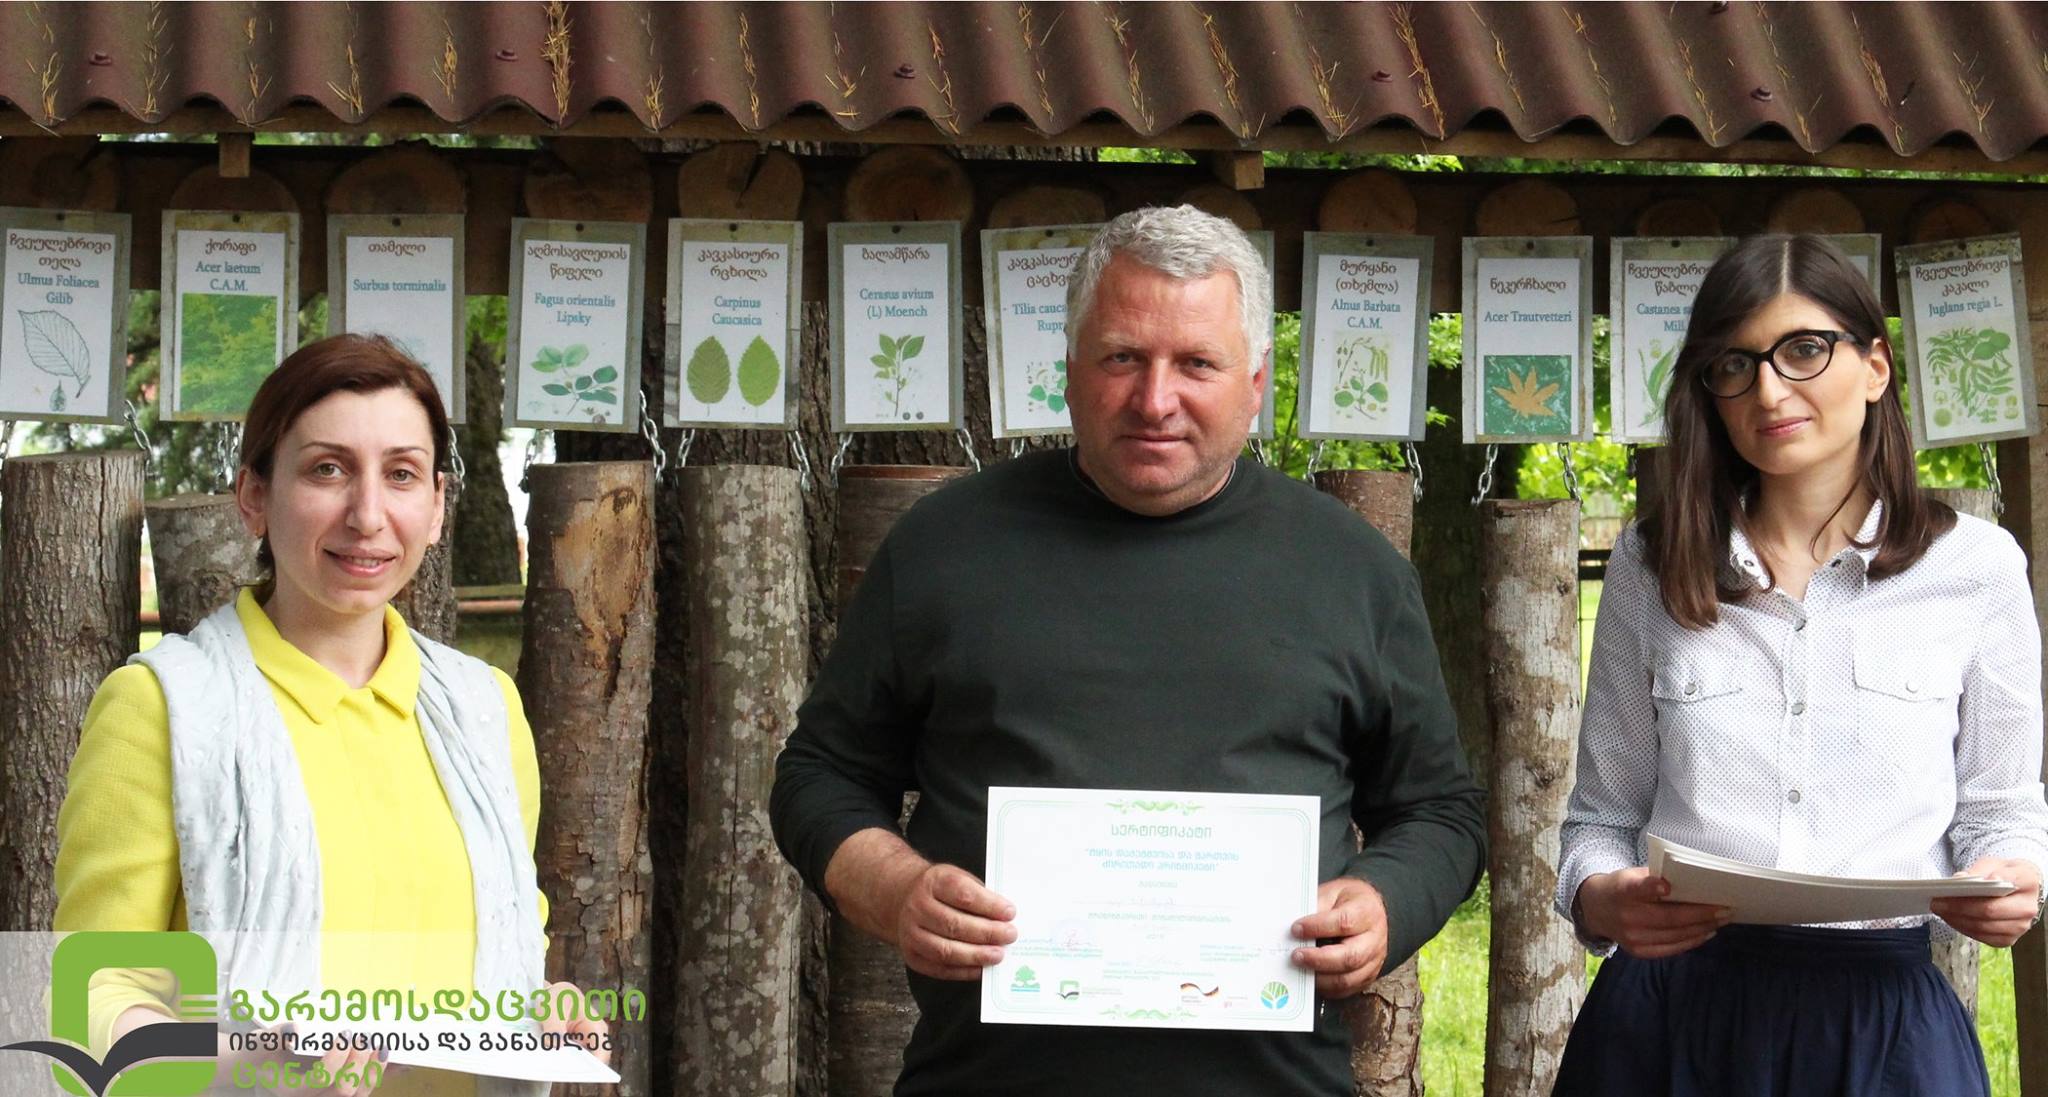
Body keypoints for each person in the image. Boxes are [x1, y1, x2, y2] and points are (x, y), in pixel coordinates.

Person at [770, 205, 1486, 1095]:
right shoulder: (944, 546)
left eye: (1196, 363)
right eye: (1122, 358)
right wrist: (892, 887)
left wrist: (1386, 903)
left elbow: (1442, 813)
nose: (1155, 399)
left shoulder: (1353, 570)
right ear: (1069, 370)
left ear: (1255, 381)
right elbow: (819, 775)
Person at [1553, 234, 2048, 1096]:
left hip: (1884, 1021)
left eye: (1805, 349)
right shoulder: (1650, 563)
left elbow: (2002, 814)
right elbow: (1600, 818)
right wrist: (1599, 896)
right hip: (1673, 1014)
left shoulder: (1978, 567)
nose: (1770, 390)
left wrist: (2010, 879)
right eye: (1735, 365)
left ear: (1876, 366)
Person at [53, 335, 610, 1097]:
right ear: (254, 495)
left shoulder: (484, 711)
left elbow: (501, 954)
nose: (368, 514)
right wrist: (254, 1058)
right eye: (327, 469)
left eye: (401, 473)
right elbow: (92, 1004)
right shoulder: (162, 707)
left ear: (437, 505)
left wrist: (539, 1011)